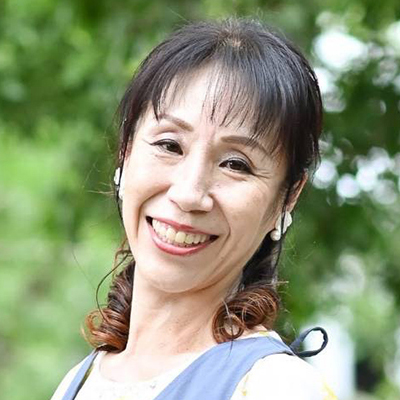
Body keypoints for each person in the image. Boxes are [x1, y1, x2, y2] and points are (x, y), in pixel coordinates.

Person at [51, 17, 337, 400]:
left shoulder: (275, 387)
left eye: (235, 164)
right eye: (169, 145)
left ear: (287, 197)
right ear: (125, 152)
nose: (188, 194)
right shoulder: (80, 381)